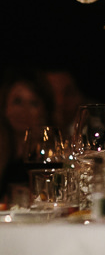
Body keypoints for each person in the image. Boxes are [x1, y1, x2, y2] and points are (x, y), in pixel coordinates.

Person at [0, 68, 55, 205]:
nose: (24, 111)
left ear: (43, 110)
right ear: (5, 107)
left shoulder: (51, 157)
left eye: (33, 103)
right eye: (17, 101)